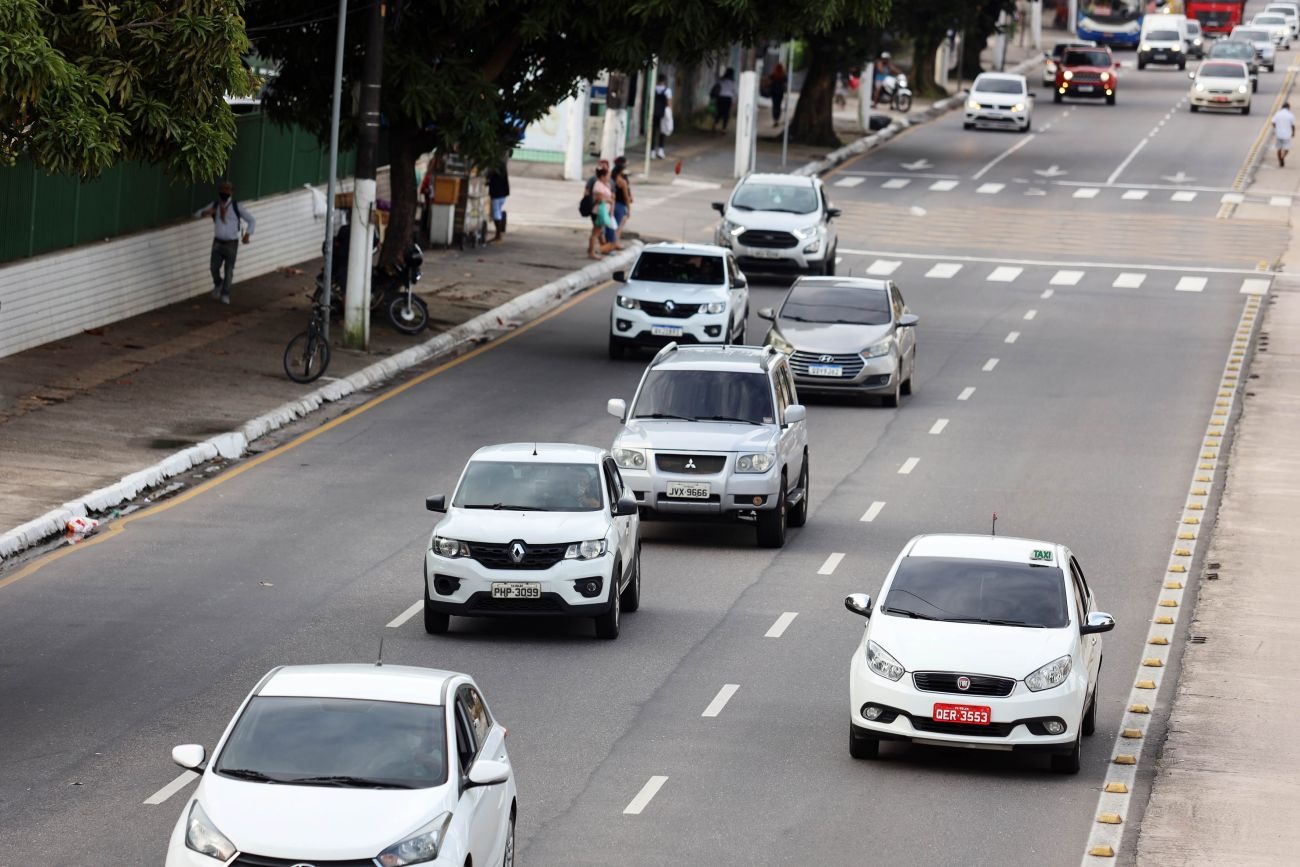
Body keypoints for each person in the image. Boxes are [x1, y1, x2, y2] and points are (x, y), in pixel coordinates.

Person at [196, 180, 255, 304]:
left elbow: (251, 220)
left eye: (227, 189)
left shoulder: (236, 206)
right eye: (222, 189)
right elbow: (196, 214)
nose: (224, 192)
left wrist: (247, 234)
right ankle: (218, 283)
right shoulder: (215, 205)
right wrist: (206, 212)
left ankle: (225, 293)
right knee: (213, 267)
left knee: (229, 269)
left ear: (232, 192)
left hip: (231, 243)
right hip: (217, 242)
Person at [587, 165, 617, 259]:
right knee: (595, 233)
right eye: (608, 175)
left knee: (597, 232)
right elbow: (599, 199)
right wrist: (609, 201)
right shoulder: (598, 185)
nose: (609, 177)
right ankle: (591, 252)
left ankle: (592, 250)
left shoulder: (604, 184)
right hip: (598, 212)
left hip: (603, 211)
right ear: (602, 176)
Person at [610, 156, 634, 246]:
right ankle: (616, 243)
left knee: (613, 226)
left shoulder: (611, 177)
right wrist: (629, 210)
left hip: (612, 204)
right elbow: (626, 197)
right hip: (620, 205)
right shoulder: (622, 181)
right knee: (619, 227)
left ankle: (612, 243)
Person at [487, 159, 510, 243]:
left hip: (497, 193)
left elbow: (492, 177)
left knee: (496, 214)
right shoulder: (502, 164)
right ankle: (498, 235)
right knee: (498, 212)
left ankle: (498, 235)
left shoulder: (496, 166)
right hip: (502, 193)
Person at [652, 74, 672, 159]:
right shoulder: (667, 91)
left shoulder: (654, 89)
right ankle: (660, 150)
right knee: (663, 131)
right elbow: (669, 103)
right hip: (663, 114)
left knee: (653, 131)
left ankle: (652, 151)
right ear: (665, 81)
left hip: (654, 113)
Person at [1274, 101, 1295, 167]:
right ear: (1288, 108)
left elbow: (1273, 122)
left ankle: (1280, 160)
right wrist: (1293, 133)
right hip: (1287, 134)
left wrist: (1276, 127)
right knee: (1286, 149)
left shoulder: (1277, 114)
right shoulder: (1290, 115)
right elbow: (1293, 125)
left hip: (1279, 134)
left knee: (1279, 149)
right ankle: (1283, 157)